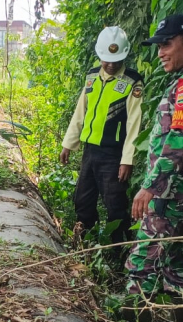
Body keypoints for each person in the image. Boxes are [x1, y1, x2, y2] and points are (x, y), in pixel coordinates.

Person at [126, 14, 183, 307]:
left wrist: (150, 187)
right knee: (176, 267)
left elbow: (179, 142)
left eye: (166, 44)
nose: (160, 53)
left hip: (173, 192)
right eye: (158, 46)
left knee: (141, 267)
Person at [60, 26, 144, 246]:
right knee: (83, 201)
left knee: (115, 205)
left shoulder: (132, 82)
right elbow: (81, 112)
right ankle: (86, 245)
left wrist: (127, 160)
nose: (110, 65)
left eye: (116, 60)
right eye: (106, 60)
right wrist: (68, 144)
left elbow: (134, 124)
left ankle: (118, 251)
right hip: (90, 152)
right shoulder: (92, 77)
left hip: (114, 155)